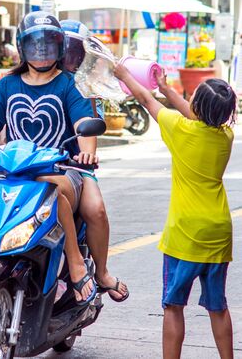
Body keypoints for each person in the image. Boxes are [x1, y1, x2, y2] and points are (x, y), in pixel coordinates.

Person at [0, 13, 98, 315]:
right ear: (23, 48)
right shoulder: (6, 86)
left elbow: (85, 122)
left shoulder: (69, 85)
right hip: (12, 173)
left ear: (60, 48)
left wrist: (86, 152)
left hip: (60, 171)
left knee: (52, 193)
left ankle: (74, 263)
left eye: (49, 44)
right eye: (35, 44)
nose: (42, 50)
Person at [114, 62, 236, 359]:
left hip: (185, 234)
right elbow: (198, 114)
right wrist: (167, 88)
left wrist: (125, 75)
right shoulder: (225, 137)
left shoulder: (180, 130)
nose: (189, 99)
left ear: (198, 106)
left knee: (173, 305)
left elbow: (146, 100)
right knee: (217, 306)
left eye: (193, 96)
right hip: (218, 233)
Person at [60, 19, 129, 301]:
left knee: (96, 210)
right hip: (27, 167)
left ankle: (100, 272)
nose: (68, 58)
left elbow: (89, 127)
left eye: (75, 52)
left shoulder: (84, 87)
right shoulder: (22, 80)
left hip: (73, 165)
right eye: (64, 50)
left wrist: (86, 153)